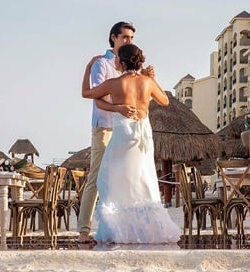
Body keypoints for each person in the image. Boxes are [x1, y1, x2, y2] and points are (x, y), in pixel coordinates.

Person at [81, 44, 181, 244]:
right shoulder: (147, 82)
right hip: (143, 136)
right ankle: (146, 231)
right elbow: (165, 101)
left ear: (123, 62)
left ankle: (120, 230)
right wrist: (152, 79)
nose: (115, 61)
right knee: (143, 179)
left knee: (111, 179)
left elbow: (87, 93)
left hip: (122, 136)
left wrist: (88, 67)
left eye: (117, 58)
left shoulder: (114, 83)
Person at [76, 21, 138, 245]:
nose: (128, 41)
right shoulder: (101, 64)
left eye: (131, 38)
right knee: (96, 177)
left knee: (121, 179)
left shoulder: (132, 65)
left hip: (125, 128)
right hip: (104, 127)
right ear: (113, 37)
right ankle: (84, 230)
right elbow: (96, 97)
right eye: (125, 37)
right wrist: (118, 108)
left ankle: (117, 228)